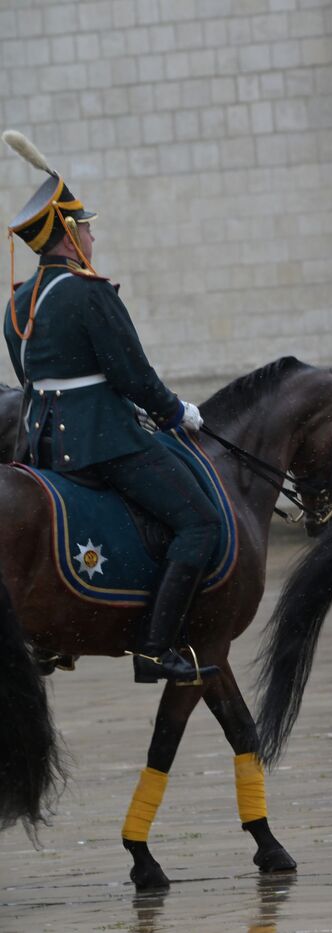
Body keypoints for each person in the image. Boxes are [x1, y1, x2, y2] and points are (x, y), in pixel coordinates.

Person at [1, 130, 219, 684]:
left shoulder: (16, 304)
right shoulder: (90, 292)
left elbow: (30, 378)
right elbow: (132, 376)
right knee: (199, 524)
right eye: (89, 228)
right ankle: (156, 647)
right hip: (105, 442)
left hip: (43, 446)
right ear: (70, 234)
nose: (94, 237)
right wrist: (176, 413)